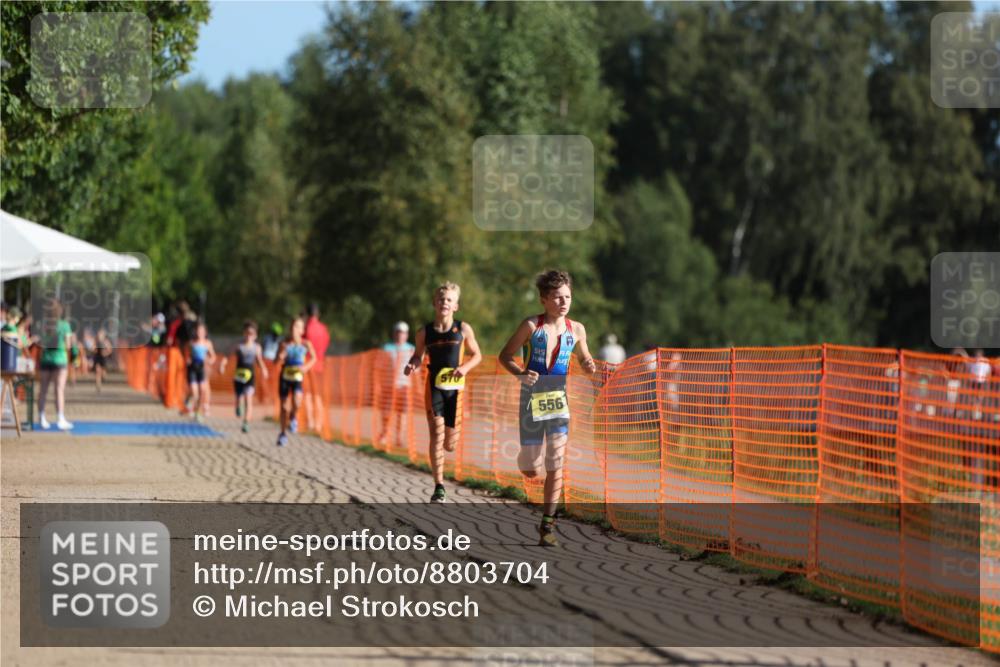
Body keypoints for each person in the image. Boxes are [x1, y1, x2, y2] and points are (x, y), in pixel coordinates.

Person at [499, 270, 597, 546]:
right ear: (544, 299)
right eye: (557, 297)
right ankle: (526, 459)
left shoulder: (576, 330)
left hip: (558, 401)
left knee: (556, 462)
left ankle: (548, 525)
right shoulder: (531, 326)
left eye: (567, 297)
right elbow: (505, 356)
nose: (563, 302)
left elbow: (585, 357)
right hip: (531, 400)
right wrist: (520, 373)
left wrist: (588, 365)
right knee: (531, 467)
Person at [404, 282, 483, 503]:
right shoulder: (424, 332)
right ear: (434, 303)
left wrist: (464, 368)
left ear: (455, 305)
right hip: (434, 387)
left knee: (450, 443)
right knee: (436, 434)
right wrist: (412, 364)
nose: (444, 303)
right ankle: (439, 486)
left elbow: (477, 355)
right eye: (441, 299)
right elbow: (418, 355)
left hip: (456, 390)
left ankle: (448, 451)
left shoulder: (463, 329)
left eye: (449, 300)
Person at [219, 320, 270, 433]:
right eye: (247, 333)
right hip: (238, 376)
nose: (249, 336)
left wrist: (264, 369)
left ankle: (246, 422)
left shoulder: (257, 348)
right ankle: (237, 405)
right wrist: (223, 364)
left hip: (250, 377)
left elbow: (259, 361)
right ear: (244, 333)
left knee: (248, 399)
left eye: (251, 334)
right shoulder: (239, 346)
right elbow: (227, 356)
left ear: (255, 336)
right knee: (239, 397)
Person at [276, 317, 317, 447]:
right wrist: (280, 356)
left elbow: (314, 358)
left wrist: (306, 367)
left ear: (302, 330)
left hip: (298, 377)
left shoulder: (306, 344)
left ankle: (293, 417)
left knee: (297, 402)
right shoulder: (284, 344)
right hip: (285, 377)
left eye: (298, 327)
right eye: (294, 326)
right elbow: (276, 361)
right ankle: (282, 434)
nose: (295, 329)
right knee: (283, 407)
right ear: (290, 328)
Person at [376, 321, 416, 448]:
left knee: (402, 413)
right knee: (386, 412)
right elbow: (379, 367)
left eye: (403, 332)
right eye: (398, 332)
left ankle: (399, 438)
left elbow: (416, 370)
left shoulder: (411, 349)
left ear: (407, 334)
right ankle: (385, 434)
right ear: (394, 333)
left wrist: (417, 387)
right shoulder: (387, 348)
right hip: (388, 385)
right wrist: (378, 384)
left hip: (404, 386)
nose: (400, 335)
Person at [37, 299, 75, 430]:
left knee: (43, 390)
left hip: (45, 359)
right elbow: (69, 345)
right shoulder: (65, 325)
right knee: (59, 390)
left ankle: (41, 418)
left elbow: (40, 342)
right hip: (59, 360)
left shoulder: (42, 325)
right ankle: (60, 418)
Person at [303, 303, 331, 432]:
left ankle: (311, 422)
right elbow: (326, 343)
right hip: (320, 363)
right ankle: (319, 424)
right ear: (317, 314)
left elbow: (301, 344)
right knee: (318, 395)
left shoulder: (306, 328)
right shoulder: (324, 328)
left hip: (307, 363)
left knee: (307, 394)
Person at [184, 321, 217, 422]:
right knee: (195, 392)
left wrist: (210, 361)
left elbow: (213, 356)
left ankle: (198, 412)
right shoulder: (192, 343)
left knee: (202, 390)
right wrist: (188, 360)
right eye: (198, 331)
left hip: (202, 368)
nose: (200, 333)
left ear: (205, 332)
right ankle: (189, 399)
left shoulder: (208, 343)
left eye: (202, 331)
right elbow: (187, 354)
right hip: (193, 368)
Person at [92, 328, 112, 393]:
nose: (99, 335)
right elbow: (93, 348)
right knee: (97, 372)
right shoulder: (96, 341)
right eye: (99, 334)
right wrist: (94, 350)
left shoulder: (106, 342)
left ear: (104, 335)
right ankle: (98, 386)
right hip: (97, 357)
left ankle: (103, 377)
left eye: (101, 334)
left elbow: (110, 350)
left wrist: (105, 353)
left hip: (103, 358)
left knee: (103, 373)